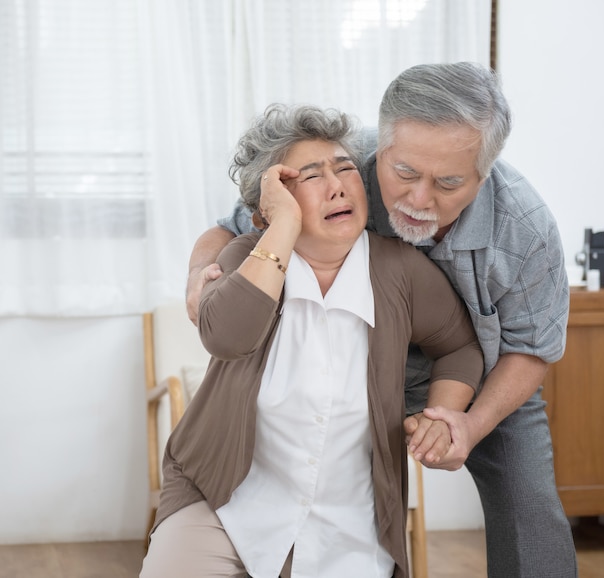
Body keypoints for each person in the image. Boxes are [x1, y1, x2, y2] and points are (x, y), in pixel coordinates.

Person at [185, 62, 578, 577]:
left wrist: (466, 422)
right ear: (381, 148)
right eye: (404, 173)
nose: (418, 200)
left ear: (486, 172)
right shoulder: (342, 167)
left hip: (481, 378)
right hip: (356, 370)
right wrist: (198, 273)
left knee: (530, 509)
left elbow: (531, 349)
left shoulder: (525, 230)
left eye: (449, 183)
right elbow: (229, 227)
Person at [141, 103, 484, 578]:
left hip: (350, 517)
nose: (338, 185)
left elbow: (459, 346)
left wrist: (442, 415)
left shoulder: (401, 270)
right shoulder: (249, 255)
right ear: (273, 199)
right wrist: (281, 226)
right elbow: (226, 336)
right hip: (223, 500)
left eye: (345, 169)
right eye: (311, 176)